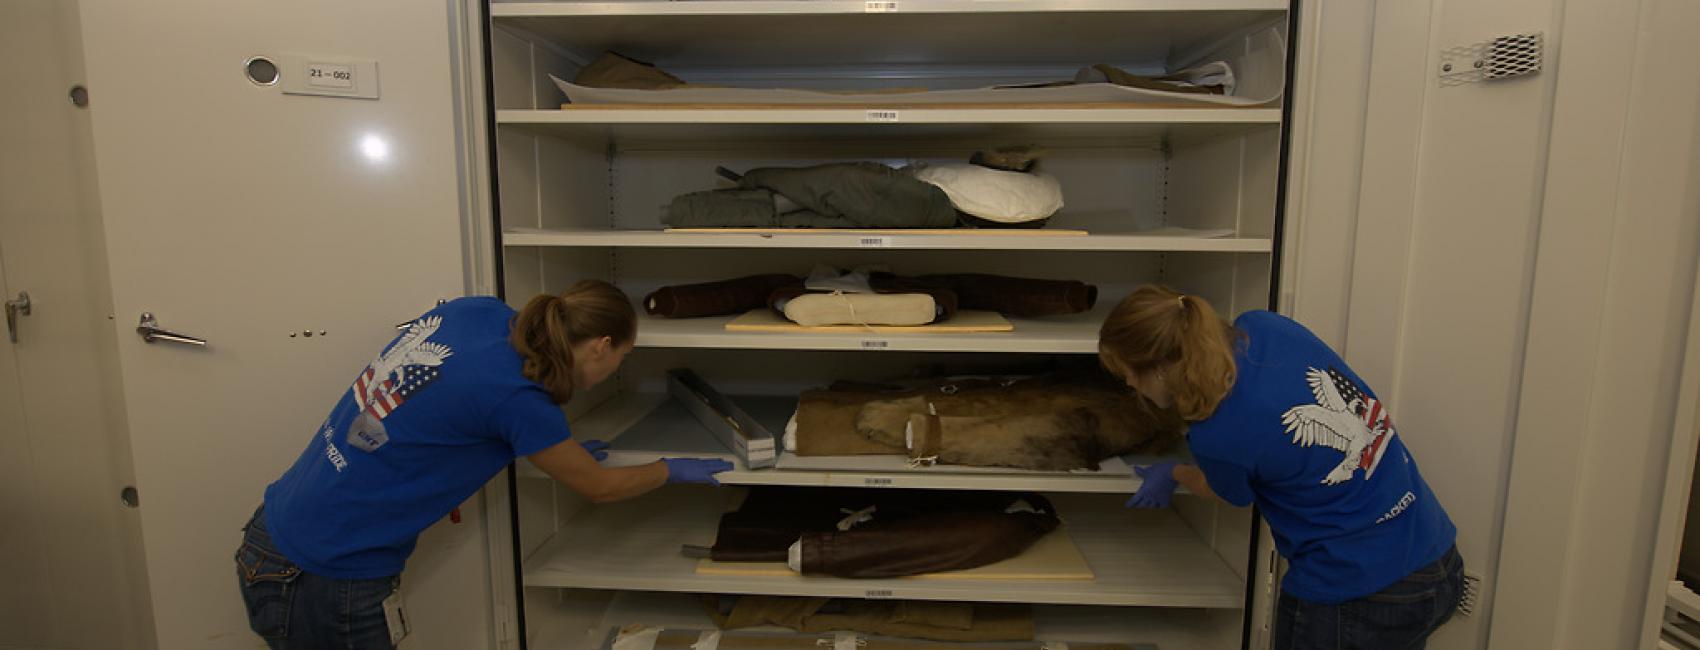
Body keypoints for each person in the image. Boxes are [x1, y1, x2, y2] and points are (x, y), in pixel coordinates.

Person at [233, 280, 732, 649]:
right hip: (326, 572)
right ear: (601, 346)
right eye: (620, 359)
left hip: (279, 529)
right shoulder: (519, 399)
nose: (614, 371)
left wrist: (553, 445)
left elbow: (451, 406)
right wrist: (669, 468)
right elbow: (598, 488)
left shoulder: (479, 313)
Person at [1099, 285, 1464, 650]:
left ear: (1160, 369)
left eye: (1127, 373)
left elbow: (1226, 492)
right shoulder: (1264, 326)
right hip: (1435, 559)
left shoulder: (1219, 436)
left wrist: (1174, 472)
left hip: (1356, 595)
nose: (1130, 384)